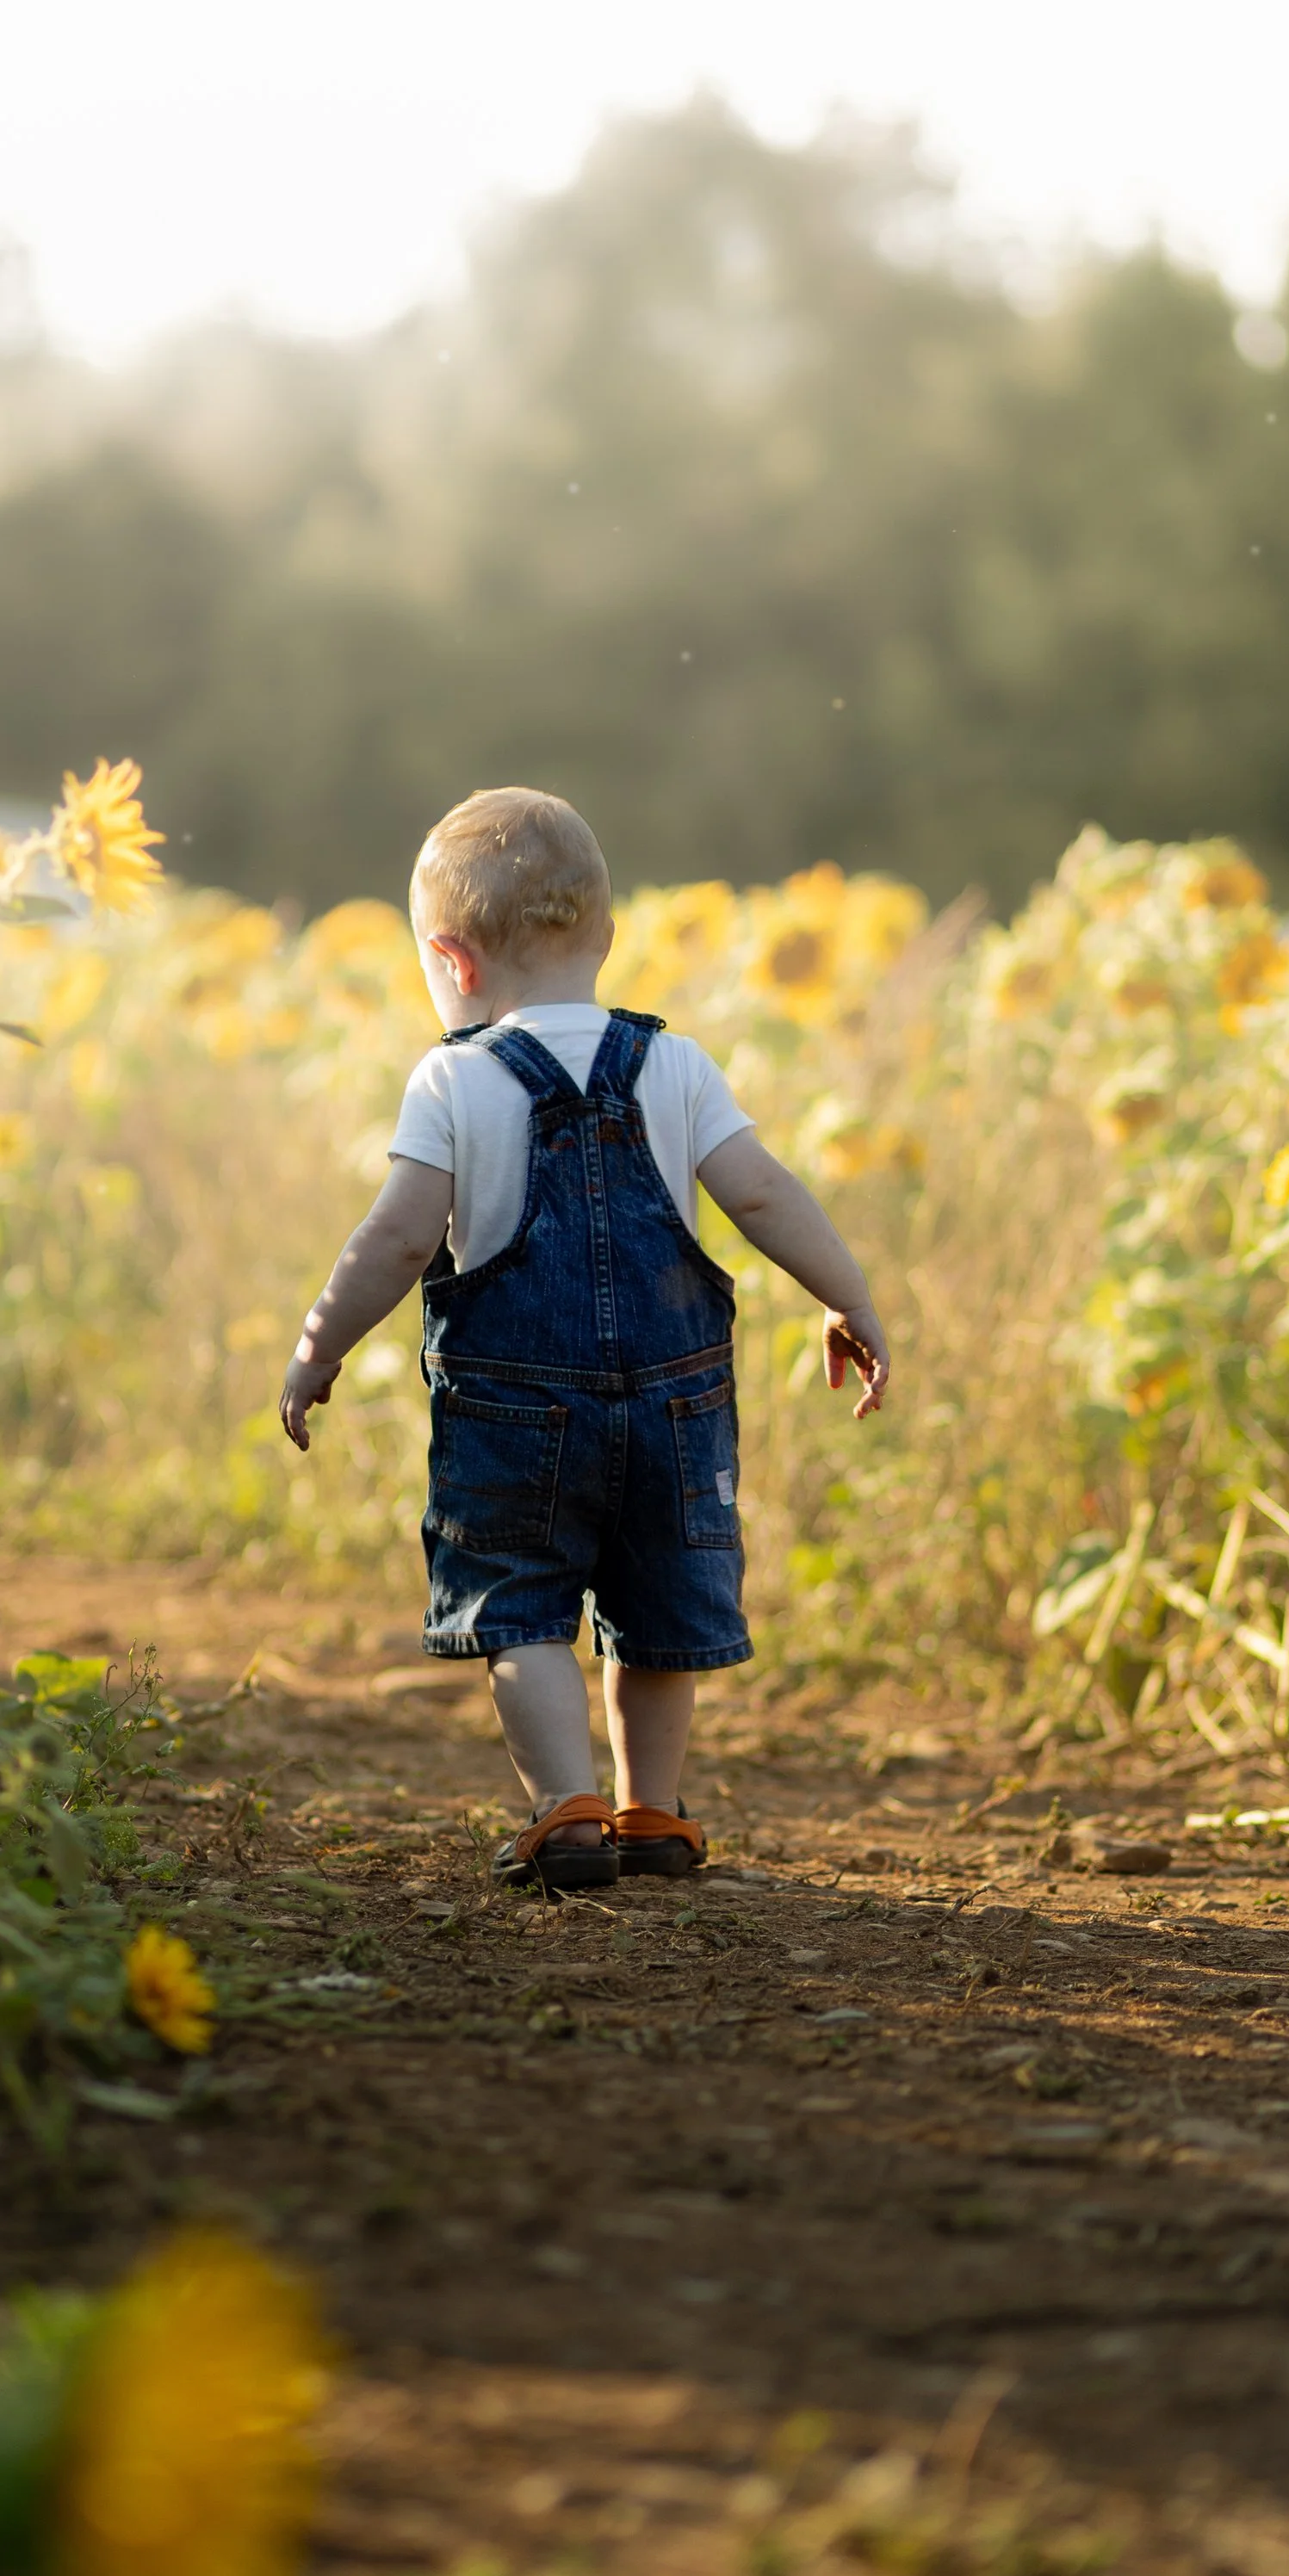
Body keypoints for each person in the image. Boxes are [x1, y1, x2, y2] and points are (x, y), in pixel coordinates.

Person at [279, 787, 889, 1894]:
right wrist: (848, 1299)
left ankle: (563, 1803)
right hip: (675, 1409)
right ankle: (653, 1809)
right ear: (606, 937)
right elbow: (760, 1196)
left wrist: (320, 1346)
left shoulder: (455, 1079)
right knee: (660, 1614)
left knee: (519, 1608)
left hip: (516, 1416)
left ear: (450, 962)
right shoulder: (676, 1067)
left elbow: (402, 1235)